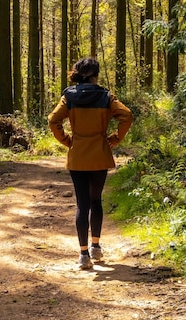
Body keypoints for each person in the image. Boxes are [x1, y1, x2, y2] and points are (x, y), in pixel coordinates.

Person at [48, 57, 133, 270]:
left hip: (77, 155)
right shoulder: (105, 96)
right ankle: (96, 247)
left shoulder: (68, 97)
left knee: (81, 203)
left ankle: (83, 254)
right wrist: (115, 138)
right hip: (100, 154)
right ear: (96, 75)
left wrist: (67, 140)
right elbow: (127, 115)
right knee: (95, 201)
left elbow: (53, 120)